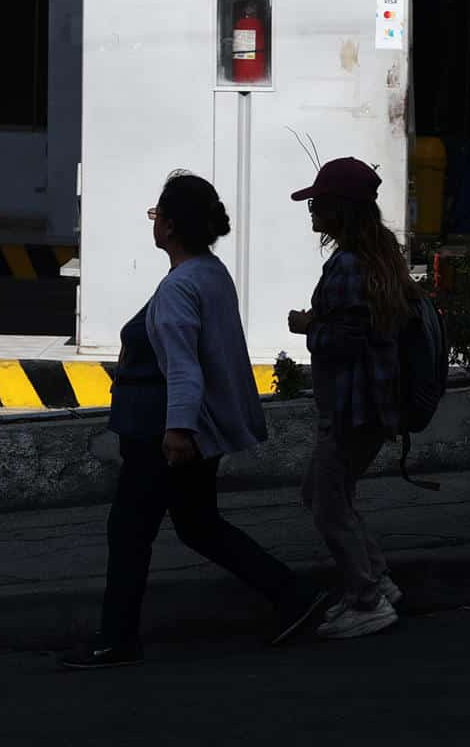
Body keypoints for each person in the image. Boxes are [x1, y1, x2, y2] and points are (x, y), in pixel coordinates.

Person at [62, 171, 328, 670]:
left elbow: (184, 367)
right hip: (185, 429)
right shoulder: (210, 272)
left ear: (170, 227)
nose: (154, 222)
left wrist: (179, 432)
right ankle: (292, 594)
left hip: (161, 435)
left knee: (129, 531)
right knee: (199, 525)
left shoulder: (180, 288)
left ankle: (116, 639)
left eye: (157, 214)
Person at [288, 157, 411, 640]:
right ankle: (376, 580)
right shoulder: (381, 257)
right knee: (327, 493)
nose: (313, 209)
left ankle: (367, 599)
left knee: (325, 502)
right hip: (372, 405)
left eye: (319, 202)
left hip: (348, 406)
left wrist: (308, 326)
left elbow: (347, 339)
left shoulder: (346, 265)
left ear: (340, 210)